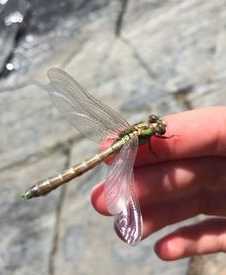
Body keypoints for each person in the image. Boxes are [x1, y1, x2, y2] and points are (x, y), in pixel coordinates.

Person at [91, 106, 226, 260]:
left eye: (157, 126)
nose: (157, 124)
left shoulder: (137, 129)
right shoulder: (148, 138)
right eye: (155, 122)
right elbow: (156, 146)